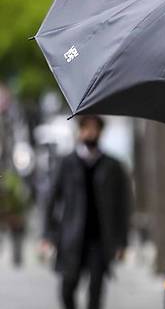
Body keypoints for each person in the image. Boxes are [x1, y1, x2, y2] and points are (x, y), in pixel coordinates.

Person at [42, 115, 131, 309]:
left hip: (100, 239)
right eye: (86, 129)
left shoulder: (113, 166)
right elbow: (50, 200)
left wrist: (122, 242)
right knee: (67, 289)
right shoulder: (66, 163)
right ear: (79, 131)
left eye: (94, 129)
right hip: (71, 237)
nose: (90, 133)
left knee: (96, 292)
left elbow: (123, 207)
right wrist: (48, 234)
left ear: (100, 132)